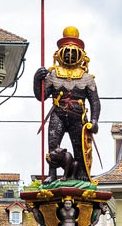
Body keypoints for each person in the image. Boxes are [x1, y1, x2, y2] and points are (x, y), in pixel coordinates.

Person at [33, 26, 101, 182]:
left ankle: (82, 171)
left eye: (73, 51)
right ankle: (52, 173)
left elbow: (95, 101)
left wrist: (95, 120)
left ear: (81, 55)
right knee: (53, 144)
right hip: (58, 113)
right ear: (59, 54)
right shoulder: (53, 75)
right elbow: (41, 96)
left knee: (80, 147)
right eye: (67, 51)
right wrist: (37, 79)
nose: (70, 54)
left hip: (78, 116)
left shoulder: (87, 78)